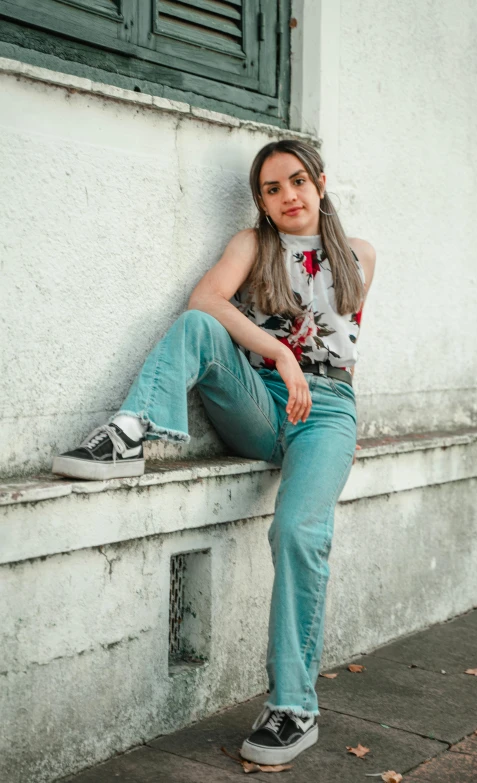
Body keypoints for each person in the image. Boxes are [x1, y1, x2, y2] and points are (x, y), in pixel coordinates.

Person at [52, 139, 376, 765]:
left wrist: (314, 382)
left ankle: (294, 706)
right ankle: (129, 432)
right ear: (260, 201)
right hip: (261, 399)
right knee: (198, 325)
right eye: (271, 189)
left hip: (327, 413)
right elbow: (205, 302)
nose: (288, 196)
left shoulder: (359, 255)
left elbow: (344, 343)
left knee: (299, 533)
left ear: (321, 183)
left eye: (297, 181)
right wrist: (280, 354)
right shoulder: (251, 247)